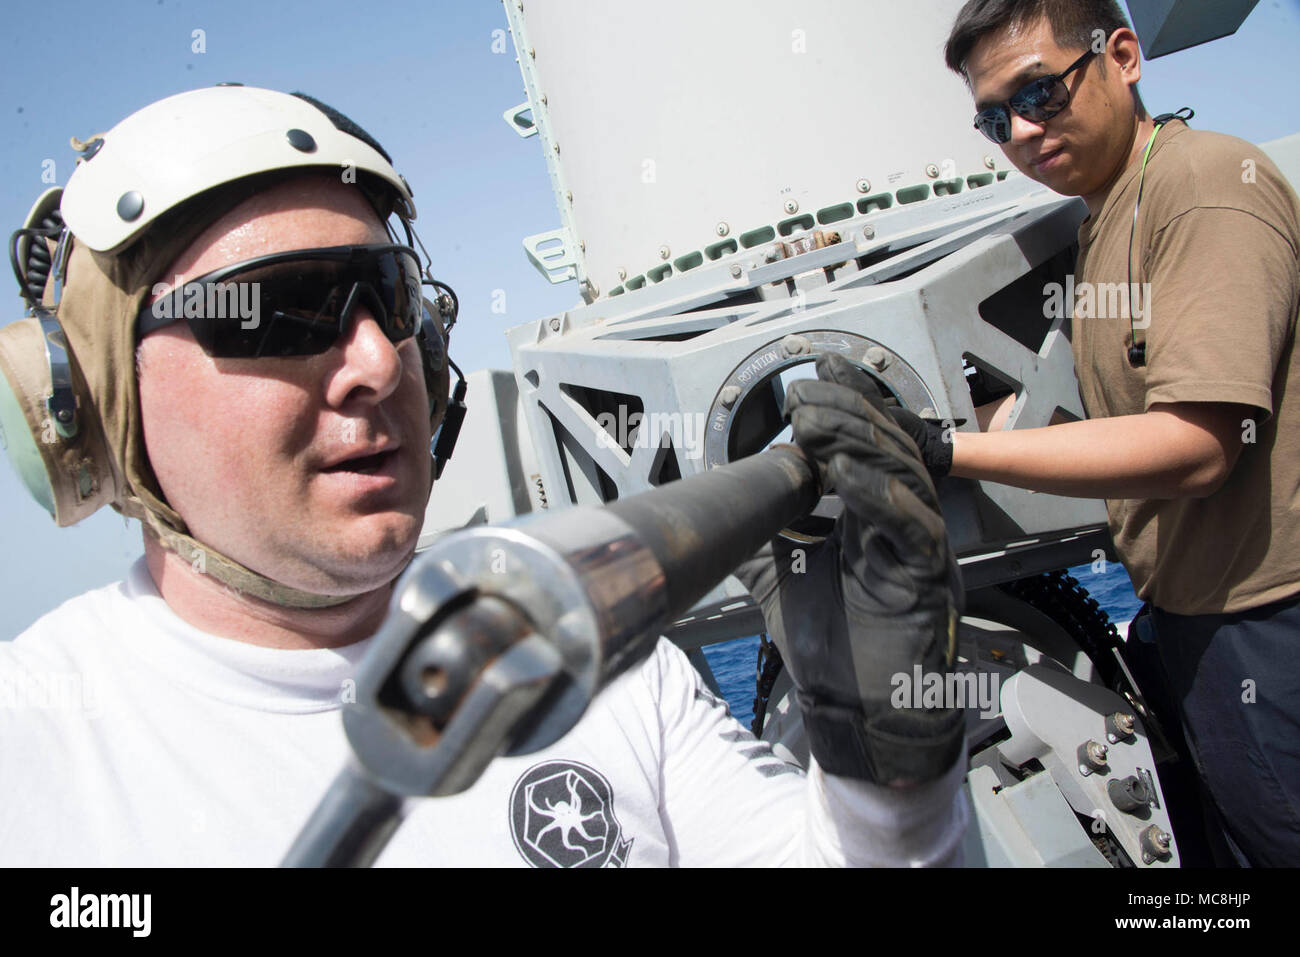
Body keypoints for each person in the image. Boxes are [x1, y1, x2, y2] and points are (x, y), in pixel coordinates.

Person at [0, 86, 968, 867]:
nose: (380, 364)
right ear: (94, 397)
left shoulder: (586, 657)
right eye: (280, 312)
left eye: (388, 300)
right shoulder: (30, 748)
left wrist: (886, 777)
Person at [890, 0, 1300, 866]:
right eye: (996, 119)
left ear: (1122, 56)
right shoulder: (1104, 220)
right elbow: (1098, 416)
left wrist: (951, 451)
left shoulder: (1204, 185)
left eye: (1039, 93)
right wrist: (918, 430)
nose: (1024, 132)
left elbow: (1195, 444)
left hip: (1270, 624)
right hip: (1194, 626)